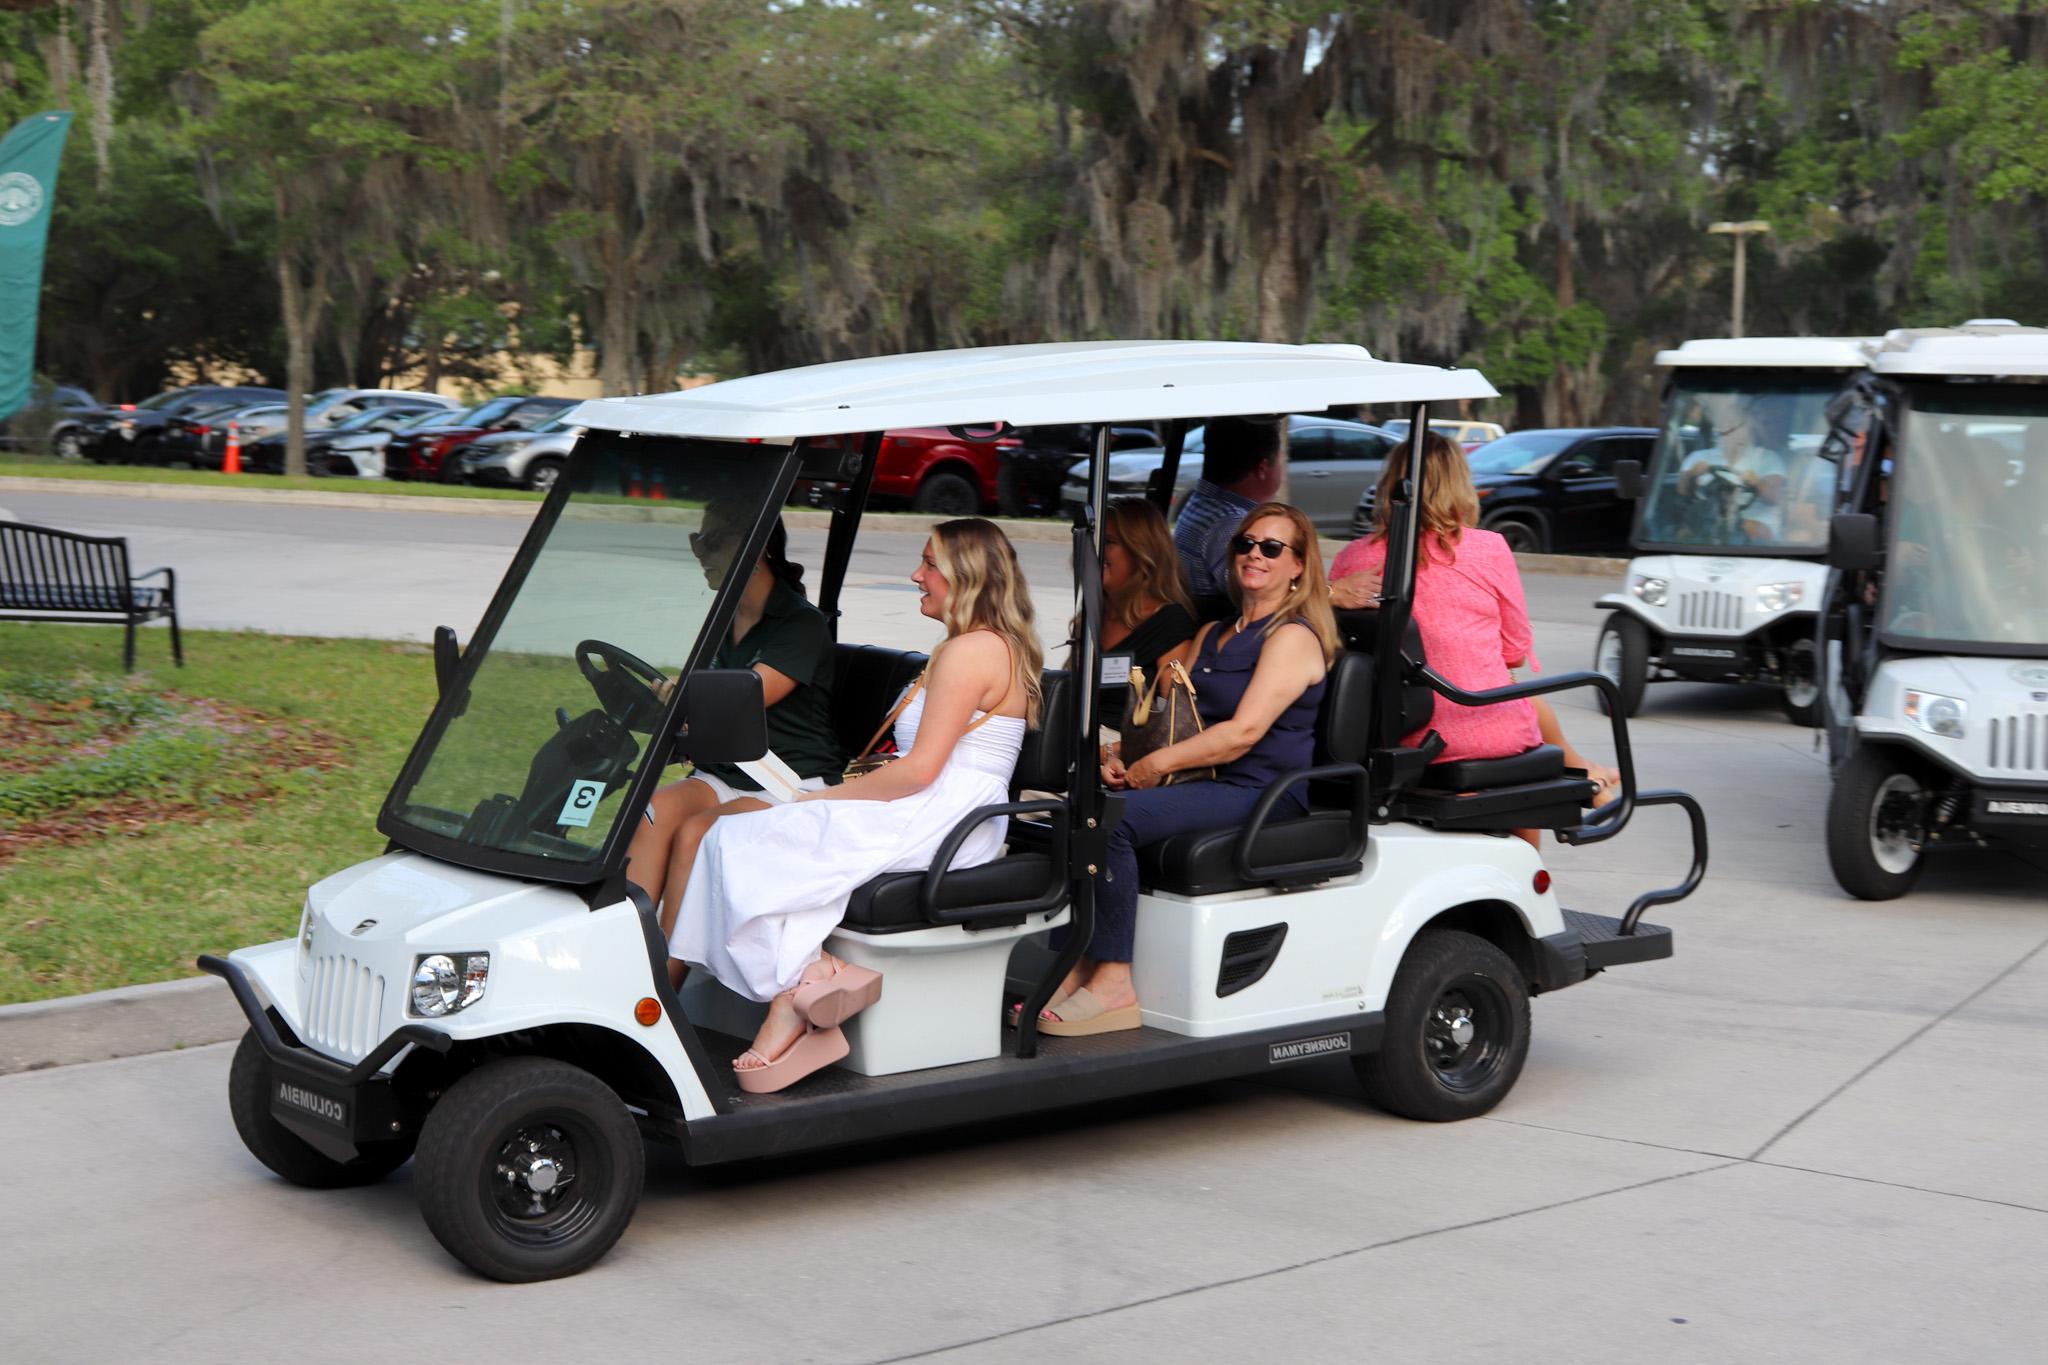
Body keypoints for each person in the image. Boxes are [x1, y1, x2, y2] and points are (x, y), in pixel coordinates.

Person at [666, 518, 1041, 1092]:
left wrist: (824, 797)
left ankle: (795, 994)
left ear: (965, 577)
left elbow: (920, 768)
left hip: (945, 814)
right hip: (933, 804)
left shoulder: (973, 651)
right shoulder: (974, 647)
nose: (917, 576)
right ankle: (808, 977)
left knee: (750, 834)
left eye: (929, 565)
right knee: (738, 834)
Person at [1033, 502, 1335, 1036]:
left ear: (1298, 566)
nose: (1254, 555)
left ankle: (1113, 980)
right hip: (1207, 778)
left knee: (1113, 821)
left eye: (1272, 547)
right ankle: (1076, 961)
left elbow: (1242, 734)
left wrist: (1156, 765)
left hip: (1260, 788)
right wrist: (1120, 758)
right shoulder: (1214, 632)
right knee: (1080, 804)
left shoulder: (1292, 636)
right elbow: (1168, 717)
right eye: (1246, 543)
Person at [1330, 434, 1618, 839]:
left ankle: (1587, 771)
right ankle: (1528, 875)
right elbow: (1514, 650)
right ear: (1458, 484)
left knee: (1509, 690)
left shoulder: (1351, 558)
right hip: (1475, 726)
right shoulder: (1488, 548)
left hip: (1392, 732)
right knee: (1509, 690)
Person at [624, 511, 842, 969]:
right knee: (649, 811)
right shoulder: (721, 619)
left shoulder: (799, 625)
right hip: (726, 772)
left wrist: (680, 694)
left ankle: (662, 990)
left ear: (758, 545)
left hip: (789, 784)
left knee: (696, 834)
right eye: (696, 540)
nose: (700, 552)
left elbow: (745, 697)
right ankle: (625, 957)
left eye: (712, 540)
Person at [1075, 496, 1199, 719]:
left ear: (1141, 551)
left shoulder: (1169, 623)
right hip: (1078, 741)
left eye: (1109, 542)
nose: (1095, 550)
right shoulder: (1093, 614)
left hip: (1126, 749)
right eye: (1091, 540)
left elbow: (1175, 721)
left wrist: (1108, 751)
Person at [1173, 416, 1285, 616]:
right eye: (1280, 460)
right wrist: (1331, 593)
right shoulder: (1231, 524)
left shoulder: (1202, 503)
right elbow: (1263, 598)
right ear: (1263, 468)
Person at [1678, 401, 1787, 543]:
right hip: (1707, 518)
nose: (1731, 431)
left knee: (1747, 528)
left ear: (1747, 427)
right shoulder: (1699, 457)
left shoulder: (1768, 458)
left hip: (1754, 522)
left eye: (1736, 426)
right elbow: (1681, 491)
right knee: (1681, 535)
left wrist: (1757, 483)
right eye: (1726, 425)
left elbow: (1775, 498)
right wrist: (1692, 474)